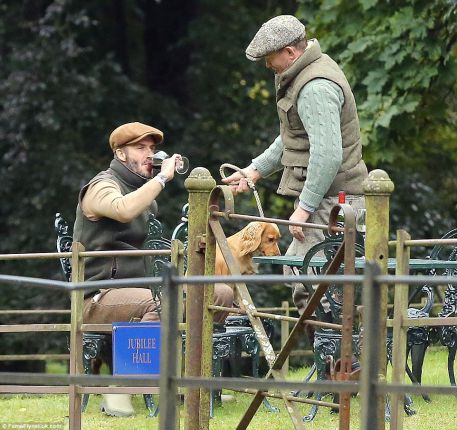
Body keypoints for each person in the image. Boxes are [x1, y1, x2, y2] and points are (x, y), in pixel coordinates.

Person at [73, 121, 234, 416]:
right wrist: (161, 179)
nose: (150, 154)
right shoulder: (101, 186)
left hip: (144, 289)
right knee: (160, 302)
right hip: (98, 296)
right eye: (140, 148)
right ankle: (119, 395)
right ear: (121, 154)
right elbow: (123, 209)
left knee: (219, 292)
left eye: (152, 148)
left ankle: (194, 385)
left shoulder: (144, 194)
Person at [222, 15, 368, 321]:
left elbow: (327, 154)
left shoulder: (315, 86)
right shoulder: (306, 74)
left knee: (321, 287)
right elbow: (294, 137)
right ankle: (337, 362)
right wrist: (255, 170)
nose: (267, 65)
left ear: (290, 52)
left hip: (336, 204)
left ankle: (348, 364)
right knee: (303, 276)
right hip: (328, 200)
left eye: (269, 57)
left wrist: (303, 208)